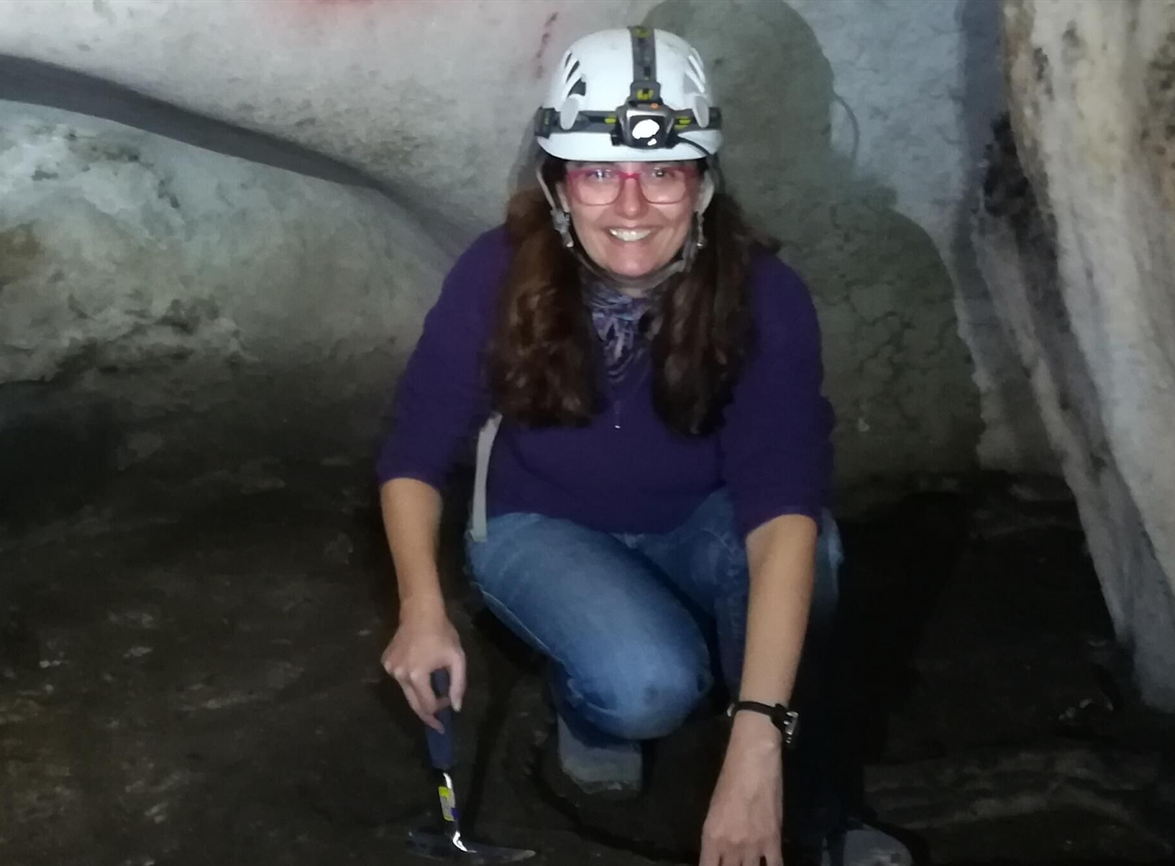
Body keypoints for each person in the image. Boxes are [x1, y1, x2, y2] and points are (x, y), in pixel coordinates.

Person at [376, 25, 911, 866]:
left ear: (700, 183)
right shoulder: (496, 271)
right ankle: (592, 706)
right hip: (537, 523)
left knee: (819, 560)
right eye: (599, 172)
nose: (630, 206)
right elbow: (414, 451)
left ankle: (811, 800)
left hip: (698, 518)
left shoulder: (764, 296)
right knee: (646, 684)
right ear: (560, 183)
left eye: (661, 171)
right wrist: (421, 608)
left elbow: (783, 512)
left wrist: (756, 747)